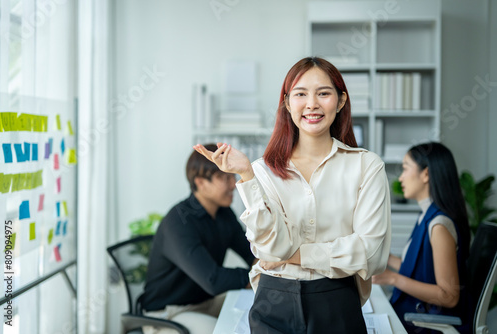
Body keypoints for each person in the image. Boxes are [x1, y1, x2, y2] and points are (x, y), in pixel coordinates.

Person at [194, 56, 391, 333]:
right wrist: (247, 177)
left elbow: (370, 254)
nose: (312, 104)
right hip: (274, 301)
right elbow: (268, 249)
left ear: (341, 100)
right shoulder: (262, 170)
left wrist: (294, 255)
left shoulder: (366, 166)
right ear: (287, 103)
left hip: (336, 300)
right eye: (300, 94)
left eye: (323, 93)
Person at [141, 144, 256, 334]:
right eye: (223, 177)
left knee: (261, 313)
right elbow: (214, 281)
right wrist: (258, 274)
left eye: (232, 175)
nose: (233, 184)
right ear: (201, 183)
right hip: (166, 314)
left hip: (204, 303)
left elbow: (252, 253)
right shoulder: (178, 222)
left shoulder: (223, 214)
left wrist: (267, 269)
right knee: (226, 332)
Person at [372, 142, 471, 333]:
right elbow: (420, 271)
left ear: (425, 174)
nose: (400, 178)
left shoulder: (439, 225)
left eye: (405, 169)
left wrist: (393, 279)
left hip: (425, 323)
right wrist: (383, 257)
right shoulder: (427, 216)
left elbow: (449, 296)